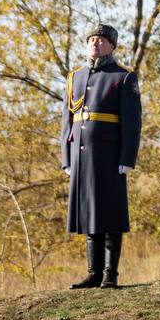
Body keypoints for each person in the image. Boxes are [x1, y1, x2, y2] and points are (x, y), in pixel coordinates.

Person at [61, 23, 142, 289]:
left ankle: (110, 273)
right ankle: (93, 273)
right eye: (92, 39)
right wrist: (67, 158)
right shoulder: (76, 77)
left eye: (101, 40)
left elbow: (132, 122)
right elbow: (67, 121)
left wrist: (127, 158)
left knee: (111, 212)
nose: (95, 43)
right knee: (88, 212)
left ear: (111, 46)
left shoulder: (123, 77)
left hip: (109, 155)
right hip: (80, 155)